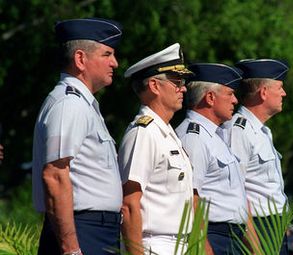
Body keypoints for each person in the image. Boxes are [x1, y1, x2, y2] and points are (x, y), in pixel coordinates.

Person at [32, 18, 123, 255]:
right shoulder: (69, 104)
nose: (115, 62)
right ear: (80, 59)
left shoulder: (83, 104)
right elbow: (54, 175)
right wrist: (71, 248)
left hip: (97, 231)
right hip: (82, 231)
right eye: (107, 54)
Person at [118, 43, 194, 255]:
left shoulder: (167, 133)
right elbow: (130, 204)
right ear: (154, 85)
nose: (184, 88)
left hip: (177, 245)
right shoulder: (144, 133)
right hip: (153, 245)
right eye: (177, 81)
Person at [175, 63, 248, 255]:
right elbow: (190, 197)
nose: (235, 100)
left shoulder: (215, 136)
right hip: (212, 236)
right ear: (210, 97)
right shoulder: (193, 136)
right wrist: (203, 246)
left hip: (231, 237)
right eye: (230, 94)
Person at [228, 59, 290, 255]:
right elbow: (236, 193)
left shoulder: (263, 131)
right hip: (258, 228)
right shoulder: (239, 131)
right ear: (263, 92)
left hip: (273, 227)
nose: (284, 93)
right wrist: (254, 245)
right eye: (279, 88)